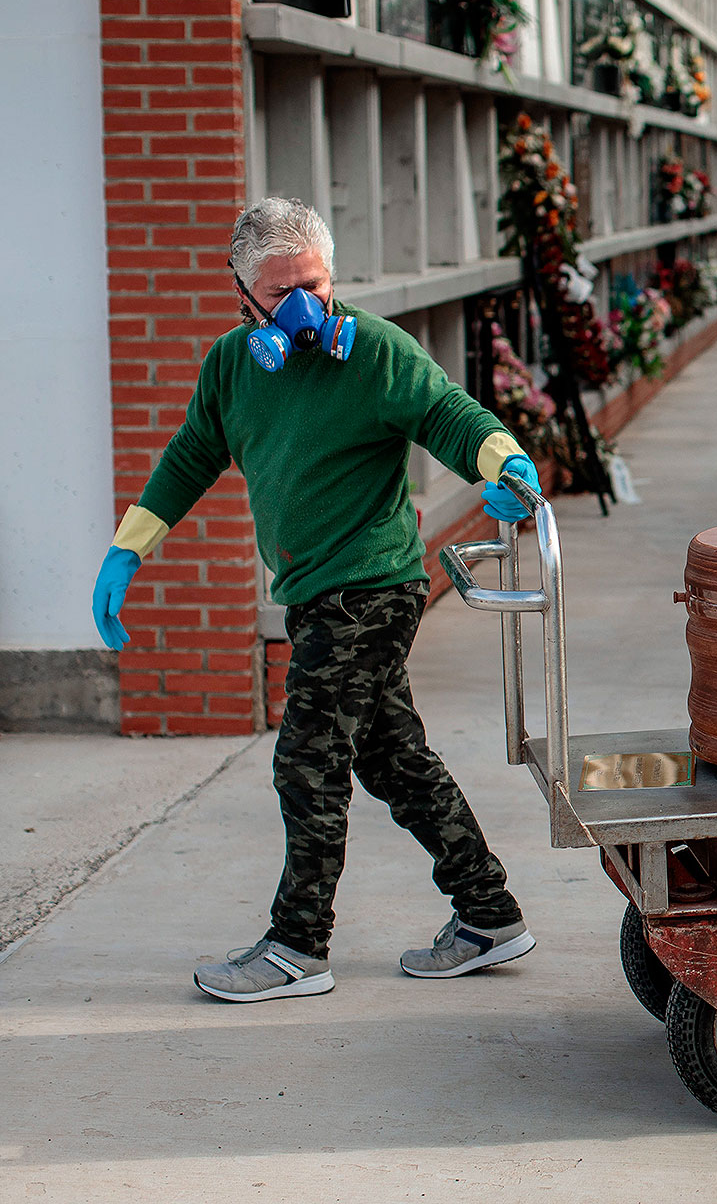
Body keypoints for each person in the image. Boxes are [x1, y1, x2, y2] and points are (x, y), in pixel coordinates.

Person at [90, 198, 545, 1002]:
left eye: (316, 285)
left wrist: (503, 462)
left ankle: (298, 946)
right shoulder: (231, 368)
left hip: (370, 586)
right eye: (282, 292)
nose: (304, 307)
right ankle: (488, 913)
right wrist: (130, 548)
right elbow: (191, 455)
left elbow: (447, 413)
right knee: (394, 759)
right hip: (313, 594)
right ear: (243, 294)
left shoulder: (373, 351)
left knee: (308, 762)